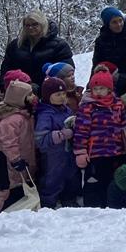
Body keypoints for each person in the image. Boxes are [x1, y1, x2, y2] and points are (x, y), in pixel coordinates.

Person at [73, 70, 126, 208]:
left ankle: (110, 206)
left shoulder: (117, 104)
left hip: (114, 151)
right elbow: (81, 131)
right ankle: (92, 208)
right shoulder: (87, 107)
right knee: (93, 181)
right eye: (95, 89)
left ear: (109, 89)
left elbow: (123, 126)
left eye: (102, 88)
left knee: (110, 181)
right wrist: (80, 152)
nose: (98, 92)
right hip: (95, 153)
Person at [0, 80, 38, 212]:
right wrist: (15, 159)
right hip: (8, 160)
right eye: (29, 95)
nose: (33, 97)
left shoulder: (25, 115)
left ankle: (19, 210)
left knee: (19, 185)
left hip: (21, 158)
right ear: (20, 98)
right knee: (8, 187)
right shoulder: (12, 120)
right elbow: (8, 142)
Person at [33, 77, 81, 208]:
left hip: (68, 152)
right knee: (52, 179)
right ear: (48, 96)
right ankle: (47, 203)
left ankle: (69, 199)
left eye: (64, 93)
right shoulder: (45, 114)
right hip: (53, 154)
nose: (62, 97)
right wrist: (61, 134)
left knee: (70, 176)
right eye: (57, 94)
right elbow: (40, 139)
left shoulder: (66, 110)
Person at [0, 10, 75, 90]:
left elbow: (66, 73)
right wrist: (4, 88)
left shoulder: (59, 45)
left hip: (50, 95)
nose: (31, 28)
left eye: (35, 24)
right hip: (19, 93)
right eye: (27, 25)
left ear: (43, 24)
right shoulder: (15, 45)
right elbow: (5, 71)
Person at [91, 7, 126, 93]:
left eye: (120, 20)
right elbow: (97, 64)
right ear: (107, 24)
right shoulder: (101, 41)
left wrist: (121, 79)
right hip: (108, 82)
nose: (119, 24)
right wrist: (92, 83)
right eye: (114, 22)